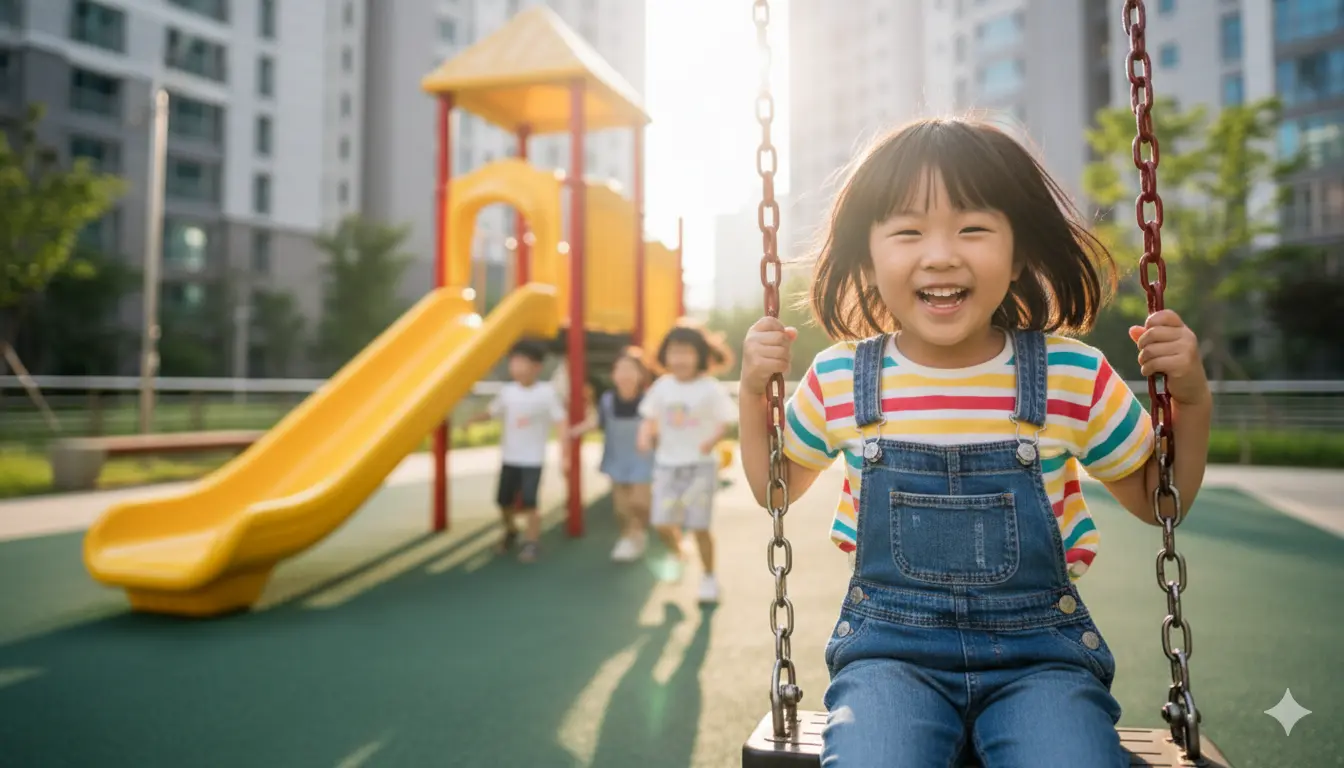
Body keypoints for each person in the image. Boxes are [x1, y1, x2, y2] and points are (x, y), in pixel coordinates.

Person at [738, 117, 1212, 766]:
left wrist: (1191, 400)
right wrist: (750, 394)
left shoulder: (1071, 376)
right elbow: (775, 487)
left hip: (1040, 663)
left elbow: (1162, 500)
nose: (940, 254)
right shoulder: (841, 378)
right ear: (869, 257)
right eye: (907, 231)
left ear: (1017, 253)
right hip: (889, 659)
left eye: (973, 229)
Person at [638, 323, 738, 603]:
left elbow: (725, 421)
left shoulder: (710, 389)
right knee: (660, 521)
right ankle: (678, 551)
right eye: (674, 352)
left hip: (700, 467)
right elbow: (649, 417)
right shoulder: (662, 387)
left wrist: (712, 440)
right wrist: (646, 436)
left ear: (700, 356)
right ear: (665, 356)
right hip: (667, 466)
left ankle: (708, 577)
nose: (680, 359)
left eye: (686, 353)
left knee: (699, 526)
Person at [569, 347, 656, 562]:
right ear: (613, 375)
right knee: (620, 506)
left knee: (640, 503)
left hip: (642, 459)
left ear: (641, 374)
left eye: (630, 369)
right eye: (620, 369)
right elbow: (597, 421)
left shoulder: (650, 400)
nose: (625, 375)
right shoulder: (608, 400)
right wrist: (576, 430)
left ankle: (638, 532)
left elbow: (658, 427)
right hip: (617, 458)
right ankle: (627, 537)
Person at [486, 339, 566, 563]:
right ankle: (510, 530)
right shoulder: (507, 392)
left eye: (523, 363)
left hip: (532, 460)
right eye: (514, 363)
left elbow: (560, 421)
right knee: (503, 501)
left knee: (531, 502)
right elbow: (492, 412)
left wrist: (565, 452)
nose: (517, 368)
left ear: (536, 367)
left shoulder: (546, 393)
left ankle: (532, 541)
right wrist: (474, 420)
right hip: (510, 458)